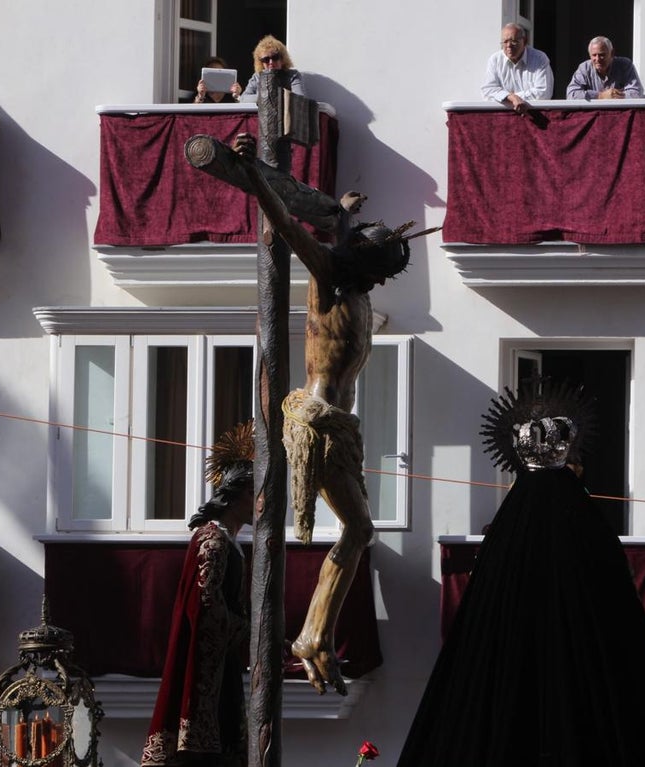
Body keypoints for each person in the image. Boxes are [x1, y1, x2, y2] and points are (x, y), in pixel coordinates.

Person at [219, 133, 434, 696]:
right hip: (315, 420)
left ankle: (314, 634)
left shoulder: (358, 293)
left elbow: (340, 239)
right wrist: (253, 175)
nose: (380, 276)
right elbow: (290, 228)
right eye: (378, 263)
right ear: (363, 262)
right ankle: (312, 635)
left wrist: (341, 215)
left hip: (339, 425)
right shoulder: (329, 283)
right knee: (359, 528)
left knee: (360, 529)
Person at [397, 380, 645, 766]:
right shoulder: (590, 530)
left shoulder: (505, 537)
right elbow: (620, 610)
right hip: (588, 685)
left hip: (508, 685)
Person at [140, 422, 254, 767]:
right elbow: (205, 605)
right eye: (253, 494)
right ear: (233, 495)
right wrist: (246, 631)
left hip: (225, 663)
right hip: (206, 669)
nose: (259, 502)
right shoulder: (213, 539)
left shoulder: (229, 541)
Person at [480, 22, 553, 114]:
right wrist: (512, 98)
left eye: (513, 41)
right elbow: (487, 91)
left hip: (534, 116)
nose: (508, 46)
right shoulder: (495, 60)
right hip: (502, 116)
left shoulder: (539, 58)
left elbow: (543, 93)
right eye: (505, 42)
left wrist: (507, 97)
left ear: (525, 41)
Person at [565, 36, 644, 100]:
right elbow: (571, 94)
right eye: (594, 55)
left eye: (602, 55)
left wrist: (613, 96)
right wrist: (600, 96)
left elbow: (636, 93)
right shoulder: (584, 68)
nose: (598, 59)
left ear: (612, 53)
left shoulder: (625, 65)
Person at [238, 35, 305, 102]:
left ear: (282, 59)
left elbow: (299, 98)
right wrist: (266, 96)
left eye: (275, 57)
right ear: (261, 63)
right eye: (266, 59)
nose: (271, 62)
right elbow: (243, 99)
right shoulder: (257, 77)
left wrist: (275, 97)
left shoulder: (293, 75)